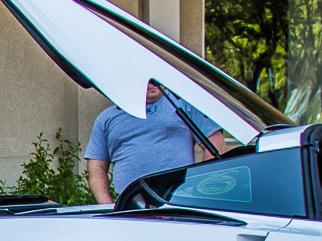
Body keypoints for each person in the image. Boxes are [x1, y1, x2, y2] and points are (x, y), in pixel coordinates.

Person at [85, 81, 229, 205]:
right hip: (130, 206)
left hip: (179, 202)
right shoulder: (107, 118)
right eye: (147, 79)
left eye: (155, 79)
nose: (152, 84)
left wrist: (199, 190)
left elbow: (216, 145)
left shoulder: (183, 105)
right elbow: (97, 166)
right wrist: (108, 206)